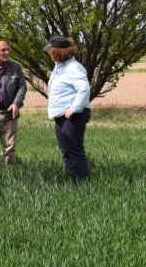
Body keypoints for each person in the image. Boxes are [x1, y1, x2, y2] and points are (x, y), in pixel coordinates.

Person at [44, 35, 91, 182]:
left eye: (51, 52)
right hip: (61, 114)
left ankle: (81, 183)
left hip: (73, 115)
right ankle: (69, 179)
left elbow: (84, 89)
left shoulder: (74, 68)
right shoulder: (59, 67)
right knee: (65, 149)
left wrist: (73, 109)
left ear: (57, 53)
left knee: (74, 150)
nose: (49, 54)